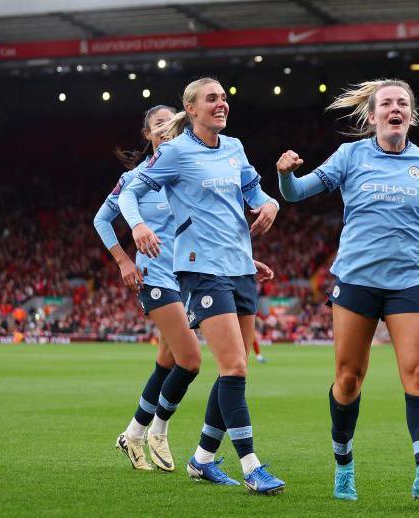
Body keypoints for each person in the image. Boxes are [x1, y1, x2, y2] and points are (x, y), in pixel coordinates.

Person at [276, 79, 419, 502]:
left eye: (402, 102)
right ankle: (344, 465)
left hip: (408, 283)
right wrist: (285, 175)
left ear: (411, 115)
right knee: (348, 380)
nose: (395, 108)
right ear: (373, 116)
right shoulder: (351, 155)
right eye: (387, 103)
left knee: (418, 374)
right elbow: (296, 194)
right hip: (356, 282)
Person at [118, 77, 285, 494]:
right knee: (232, 366)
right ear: (190, 109)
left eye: (225, 97)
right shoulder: (175, 152)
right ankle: (251, 466)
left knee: (238, 367)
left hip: (240, 267)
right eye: (212, 98)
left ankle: (203, 459)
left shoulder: (235, 148)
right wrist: (137, 225)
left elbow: (253, 191)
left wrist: (271, 203)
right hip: (200, 269)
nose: (221, 103)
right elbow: (129, 194)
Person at [92, 105, 202, 473]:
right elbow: (102, 218)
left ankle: (133, 434)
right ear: (148, 135)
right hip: (155, 277)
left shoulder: (186, 171)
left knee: (166, 362)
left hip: (188, 274)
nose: (167, 130)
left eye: (172, 123)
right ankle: (159, 430)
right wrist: (124, 260)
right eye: (159, 125)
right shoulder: (135, 178)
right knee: (191, 360)